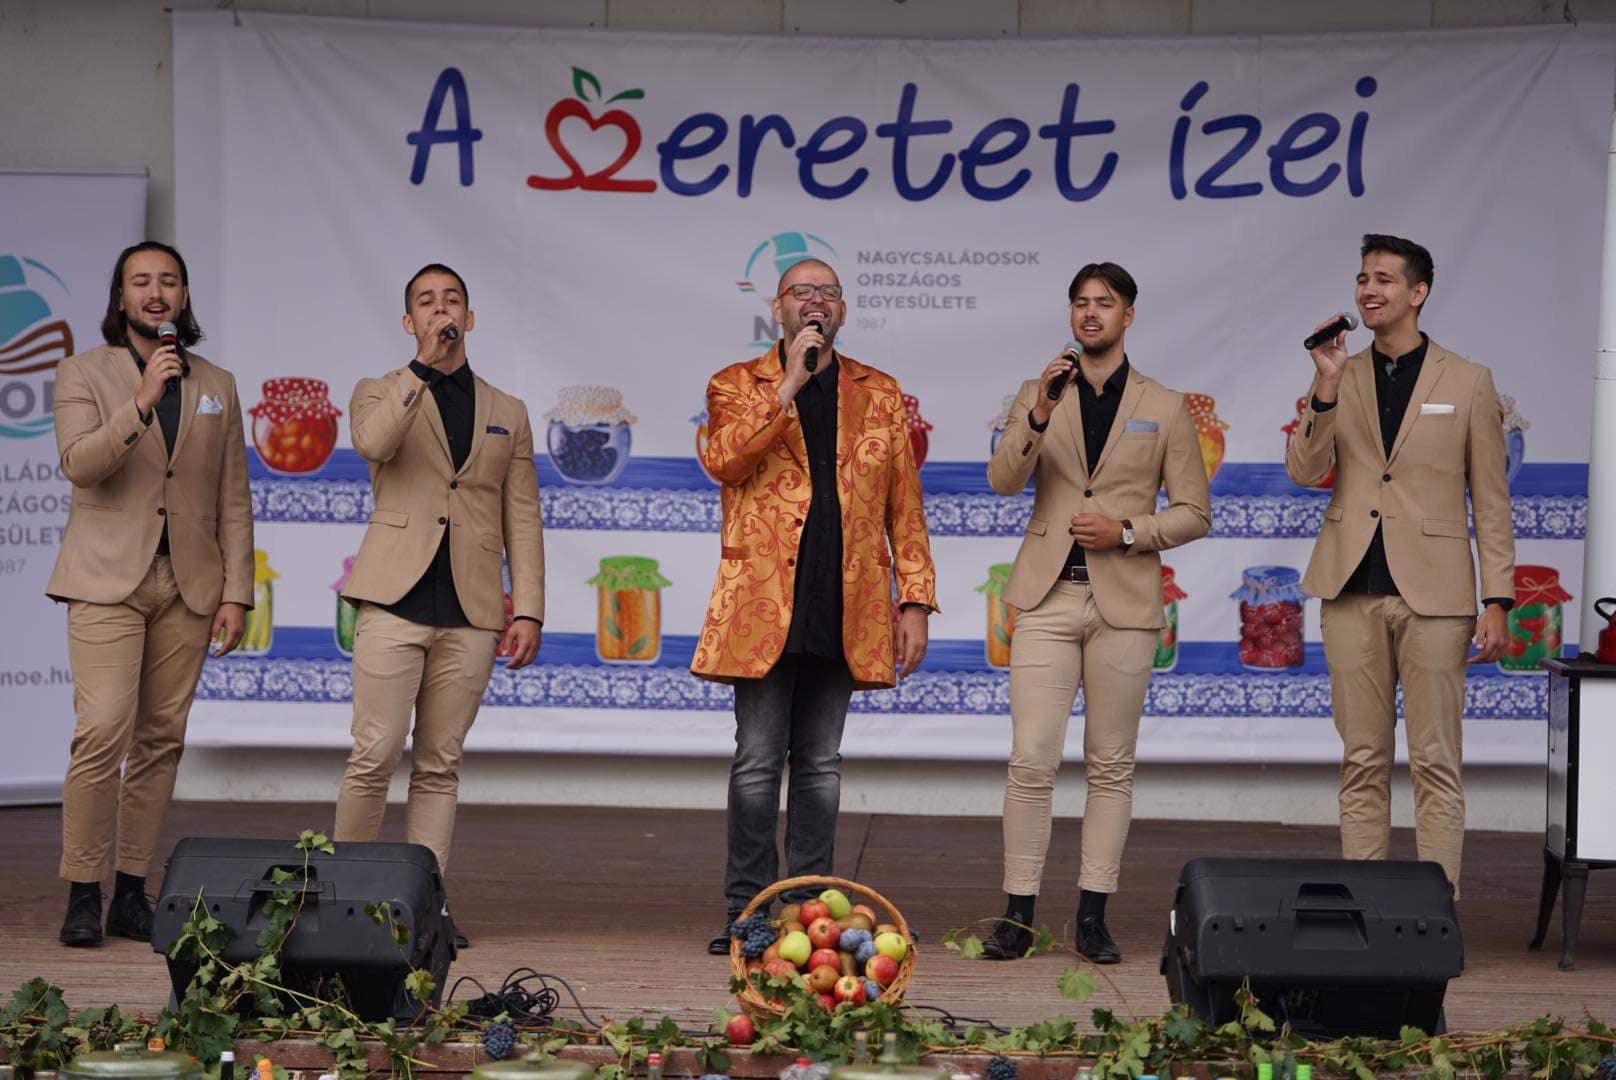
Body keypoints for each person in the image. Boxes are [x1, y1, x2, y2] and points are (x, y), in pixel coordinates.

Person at [693, 258, 938, 953]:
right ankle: (748, 910)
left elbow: (904, 507)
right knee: (757, 762)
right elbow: (724, 460)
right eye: (802, 292)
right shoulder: (736, 384)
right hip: (764, 603)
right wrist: (789, 385)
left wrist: (915, 600)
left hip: (847, 599)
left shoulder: (879, 393)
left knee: (821, 765)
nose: (816, 302)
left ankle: (807, 909)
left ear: (842, 311)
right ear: (778, 309)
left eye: (828, 293)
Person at [982, 262, 1210, 963]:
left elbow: (1195, 512)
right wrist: (1039, 413)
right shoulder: (1038, 391)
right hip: (1048, 596)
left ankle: (1092, 916)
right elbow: (1003, 480)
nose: (1090, 313)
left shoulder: (1164, 404)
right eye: (1080, 302)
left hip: (1126, 602)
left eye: (1104, 303)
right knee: (1031, 759)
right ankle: (1018, 915)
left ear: (1128, 315)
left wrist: (1129, 532)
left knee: (1110, 765)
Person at [1286, 234, 1515, 895]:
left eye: (1384, 279)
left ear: (1418, 293)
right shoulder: (1340, 372)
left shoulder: (1468, 380)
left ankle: (1436, 914)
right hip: (1350, 589)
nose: (1369, 290)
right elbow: (1305, 470)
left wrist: (1497, 598)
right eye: (1363, 278)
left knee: (1436, 760)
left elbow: (1491, 500)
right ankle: (1368, 915)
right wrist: (1326, 385)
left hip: (1437, 597)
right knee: (1362, 759)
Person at [48, 241, 253, 946]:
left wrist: (237, 591)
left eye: (169, 281)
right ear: (121, 297)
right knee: (102, 731)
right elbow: (80, 464)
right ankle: (83, 890)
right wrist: (141, 401)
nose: (156, 292)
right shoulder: (82, 372)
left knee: (161, 739)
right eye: (141, 281)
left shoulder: (218, 383)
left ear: (184, 296)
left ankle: (131, 891)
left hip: (188, 584)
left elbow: (233, 496)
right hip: (107, 580)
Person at [333, 263, 544, 945]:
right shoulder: (379, 391)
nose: (440, 310)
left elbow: (523, 517)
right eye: (426, 302)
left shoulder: (507, 411)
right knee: (374, 753)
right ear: (409, 322)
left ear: (470, 317)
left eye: (452, 300)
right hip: (392, 599)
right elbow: (373, 443)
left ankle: (426, 909)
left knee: (439, 764)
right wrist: (420, 369)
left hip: (473, 610)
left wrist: (528, 608)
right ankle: (343, 902)